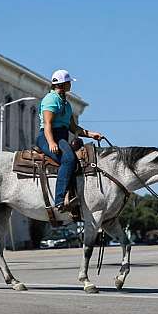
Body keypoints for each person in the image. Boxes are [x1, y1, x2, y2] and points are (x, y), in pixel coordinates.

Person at [36, 69, 102, 211]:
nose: (71, 85)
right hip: (48, 137)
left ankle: (73, 195)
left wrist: (91, 135)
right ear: (63, 84)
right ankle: (59, 200)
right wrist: (52, 142)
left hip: (62, 136)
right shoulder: (50, 99)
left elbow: (73, 127)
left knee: (78, 160)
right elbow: (47, 124)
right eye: (69, 83)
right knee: (69, 159)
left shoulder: (66, 103)